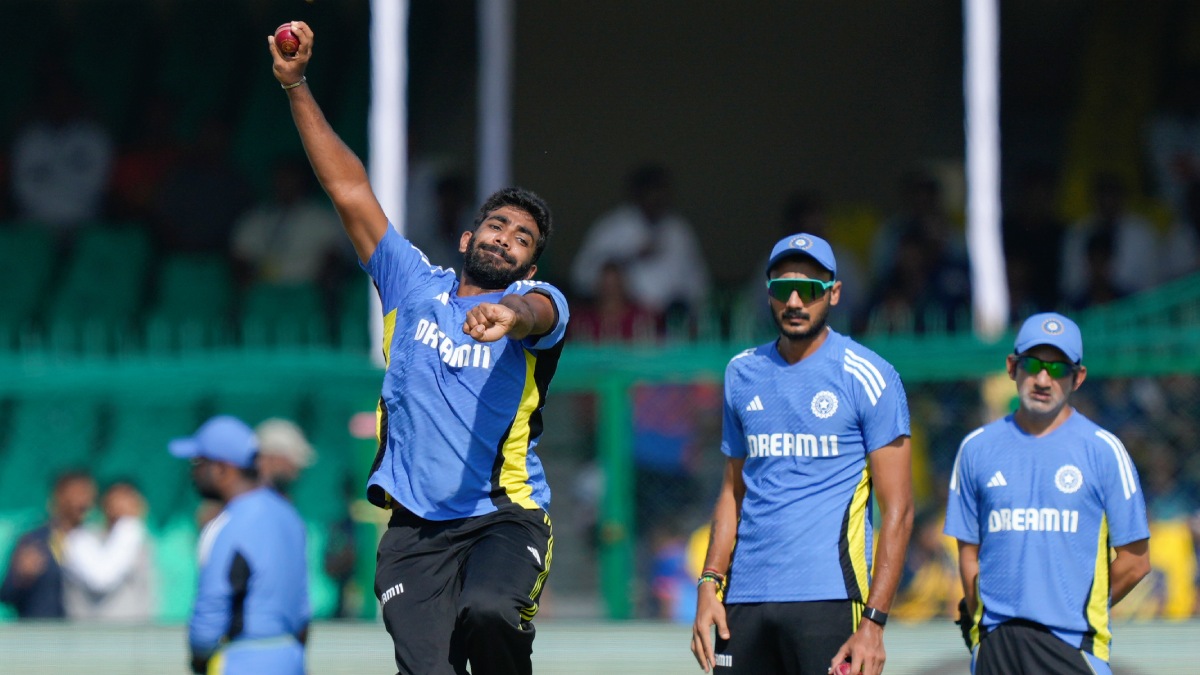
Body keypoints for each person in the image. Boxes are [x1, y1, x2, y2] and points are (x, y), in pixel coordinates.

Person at [269, 23, 569, 675]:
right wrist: (296, 86)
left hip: (503, 515)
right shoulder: (412, 284)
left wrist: (510, 313)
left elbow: (539, 313)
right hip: (413, 530)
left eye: (522, 238)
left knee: (488, 612)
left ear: (528, 267)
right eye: (497, 225)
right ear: (466, 238)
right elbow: (350, 191)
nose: (506, 238)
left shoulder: (537, 303)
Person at [690, 233, 914, 675]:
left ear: (834, 293)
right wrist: (709, 582)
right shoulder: (742, 373)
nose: (794, 301)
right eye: (782, 288)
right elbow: (732, 492)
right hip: (744, 600)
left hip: (830, 599)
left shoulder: (868, 375)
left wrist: (874, 623)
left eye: (809, 289)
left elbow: (900, 510)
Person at [943, 313, 1151, 675]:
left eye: (1057, 369)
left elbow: (1136, 562)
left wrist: (1072, 610)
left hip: (1071, 647)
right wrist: (984, 630)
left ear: (1078, 377)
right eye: (1032, 365)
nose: (1043, 379)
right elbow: (968, 554)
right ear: (1012, 368)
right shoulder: (976, 448)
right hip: (996, 648)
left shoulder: (1104, 451)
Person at [169, 415, 310, 674]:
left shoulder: (228, 523)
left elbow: (211, 608)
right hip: (290, 656)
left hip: (242, 659)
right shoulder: (289, 516)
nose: (193, 472)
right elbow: (302, 608)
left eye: (198, 463)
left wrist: (199, 655)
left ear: (222, 469)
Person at [570, 163, 711, 324]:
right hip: (625, 322)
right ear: (636, 193)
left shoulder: (679, 231)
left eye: (660, 191)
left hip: (672, 322)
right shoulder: (612, 228)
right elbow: (580, 277)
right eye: (650, 191)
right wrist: (629, 257)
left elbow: (699, 285)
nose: (656, 197)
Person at [0, 470, 96, 619]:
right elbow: (7, 595)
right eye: (78, 493)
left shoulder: (95, 541)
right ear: (59, 496)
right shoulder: (34, 541)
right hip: (40, 630)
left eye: (88, 494)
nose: (84, 501)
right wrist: (21, 577)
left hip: (84, 631)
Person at [62, 480, 156, 621]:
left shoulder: (143, 540)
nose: (123, 506)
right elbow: (101, 578)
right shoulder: (80, 539)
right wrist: (128, 526)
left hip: (135, 632)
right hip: (89, 632)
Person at [255, 417, 316, 496]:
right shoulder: (247, 495)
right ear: (272, 458)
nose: (297, 471)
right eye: (293, 461)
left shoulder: (279, 496)